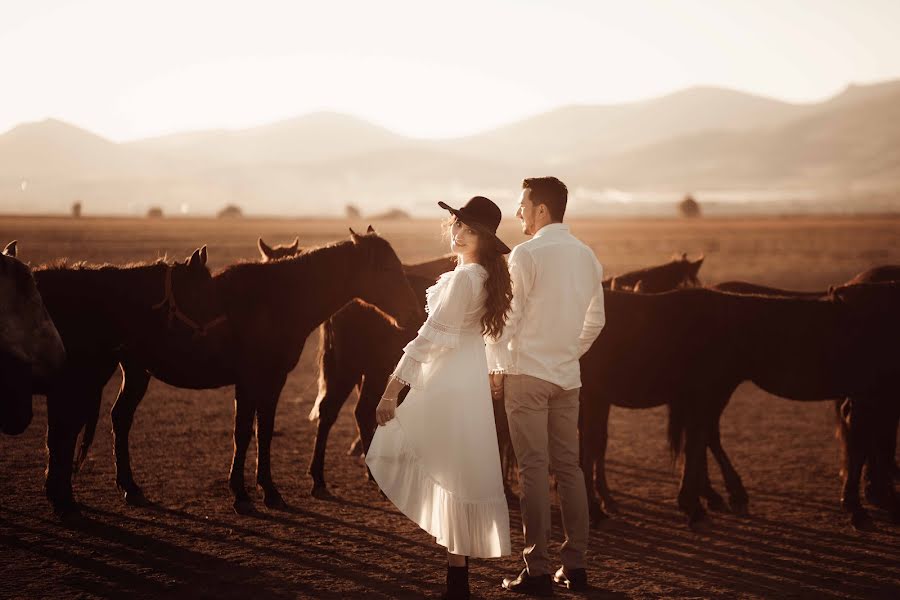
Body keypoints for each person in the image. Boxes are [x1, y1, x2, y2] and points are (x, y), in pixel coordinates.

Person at [367, 196, 514, 600]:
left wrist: (390, 391)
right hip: (466, 379)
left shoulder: (468, 279)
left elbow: (429, 337)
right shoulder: (480, 274)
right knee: (458, 470)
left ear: (484, 238)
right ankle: (457, 578)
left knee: (413, 450)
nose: (457, 233)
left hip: (450, 380)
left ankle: (457, 580)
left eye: (468, 229)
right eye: (456, 225)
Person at [488, 177, 605, 595]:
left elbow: (508, 317)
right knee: (570, 469)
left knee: (534, 471)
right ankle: (575, 567)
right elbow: (596, 320)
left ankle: (536, 570)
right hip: (567, 378)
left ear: (541, 210)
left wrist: (496, 364)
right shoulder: (587, 256)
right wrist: (568, 352)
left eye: (522, 204)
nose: (518, 211)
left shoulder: (525, 254)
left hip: (526, 375)